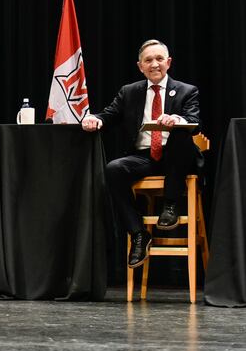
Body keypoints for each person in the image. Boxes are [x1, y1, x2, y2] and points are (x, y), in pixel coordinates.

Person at [82, 39, 202, 268]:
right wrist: (94, 118)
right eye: (148, 60)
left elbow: (194, 122)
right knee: (114, 169)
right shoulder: (129, 92)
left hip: (176, 158)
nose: (154, 64)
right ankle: (138, 233)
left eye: (159, 59)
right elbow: (108, 114)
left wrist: (176, 120)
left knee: (180, 136)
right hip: (144, 157)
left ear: (168, 62)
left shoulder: (187, 91)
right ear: (140, 66)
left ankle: (170, 204)